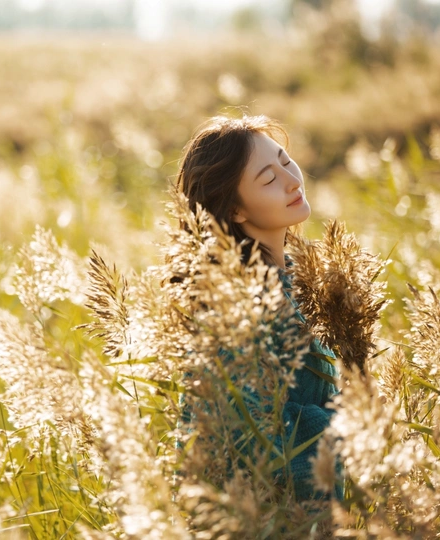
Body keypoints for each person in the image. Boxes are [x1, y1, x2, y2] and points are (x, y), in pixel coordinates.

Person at [176, 114, 339, 500]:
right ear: (235, 210)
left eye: (285, 161)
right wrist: (346, 427)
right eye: (268, 179)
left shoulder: (297, 281)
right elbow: (248, 439)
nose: (292, 181)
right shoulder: (240, 306)